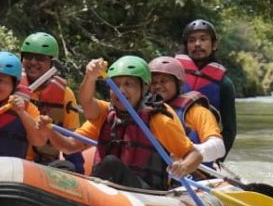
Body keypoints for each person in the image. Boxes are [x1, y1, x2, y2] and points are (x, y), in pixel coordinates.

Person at [46, 56, 202, 190]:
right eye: (116, 84)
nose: (120, 90)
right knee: (61, 168)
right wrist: (49, 131)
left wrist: (184, 167)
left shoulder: (158, 120)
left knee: (111, 163)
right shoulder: (105, 113)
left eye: (129, 84)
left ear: (144, 88)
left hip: (146, 193)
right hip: (109, 189)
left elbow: (195, 154)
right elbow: (69, 144)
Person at [18, 31, 84, 171]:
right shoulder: (9, 85)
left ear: (52, 63)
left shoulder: (65, 94)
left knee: (69, 167)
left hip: (44, 165)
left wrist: (80, 171)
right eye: (28, 57)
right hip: (13, 158)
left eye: (41, 58)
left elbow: (70, 137)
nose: (33, 62)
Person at [147, 56, 226, 166]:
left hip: (193, 176)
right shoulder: (145, 111)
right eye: (154, 83)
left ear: (178, 84)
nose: (158, 86)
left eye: (164, 81)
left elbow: (219, 147)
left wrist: (187, 152)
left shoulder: (197, 111)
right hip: (158, 175)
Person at [175, 19, 237, 155]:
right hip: (171, 141)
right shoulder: (172, 74)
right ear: (186, 46)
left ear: (214, 45)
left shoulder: (224, 84)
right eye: (192, 40)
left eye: (203, 39)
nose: (197, 44)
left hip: (204, 148)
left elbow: (230, 130)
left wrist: (217, 158)